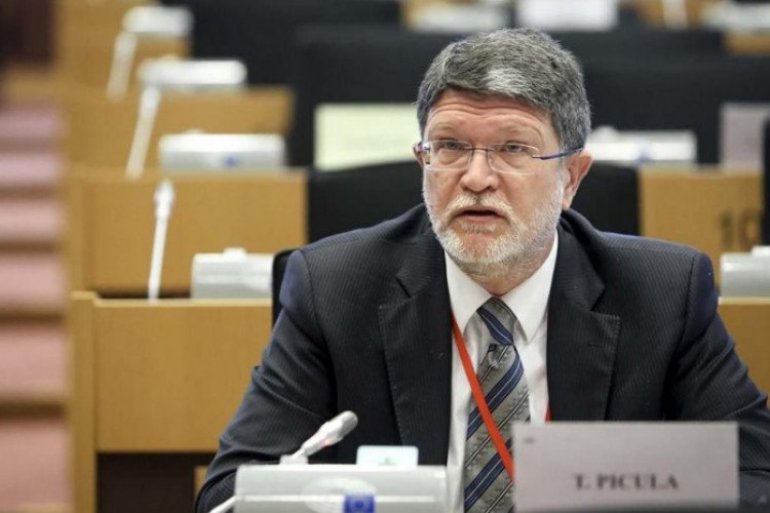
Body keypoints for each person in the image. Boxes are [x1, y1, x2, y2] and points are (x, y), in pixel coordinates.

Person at [196, 28, 770, 512]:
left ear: (571, 177)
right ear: (423, 160)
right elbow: (229, 493)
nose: (475, 178)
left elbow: (755, 480)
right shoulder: (334, 290)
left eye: (513, 149)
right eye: (449, 147)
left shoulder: (664, 296)